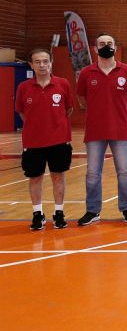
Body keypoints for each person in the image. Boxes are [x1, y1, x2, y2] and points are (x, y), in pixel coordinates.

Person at [76, 33, 127, 225]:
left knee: (125, 171)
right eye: (102, 43)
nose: (106, 46)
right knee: (92, 173)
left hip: (120, 128)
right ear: (95, 49)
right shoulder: (86, 73)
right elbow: (81, 99)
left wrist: (119, 110)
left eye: (109, 43)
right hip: (95, 130)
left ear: (115, 47)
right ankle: (92, 210)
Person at [15, 48, 74, 231]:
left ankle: (59, 213)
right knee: (35, 178)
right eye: (37, 62)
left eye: (45, 61)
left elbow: (69, 109)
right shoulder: (23, 87)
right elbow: (21, 112)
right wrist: (36, 126)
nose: (42, 65)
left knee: (58, 177)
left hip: (59, 140)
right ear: (31, 65)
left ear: (51, 63)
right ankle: (37, 214)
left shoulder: (63, 84)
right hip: (33, 142)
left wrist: (55, 125)